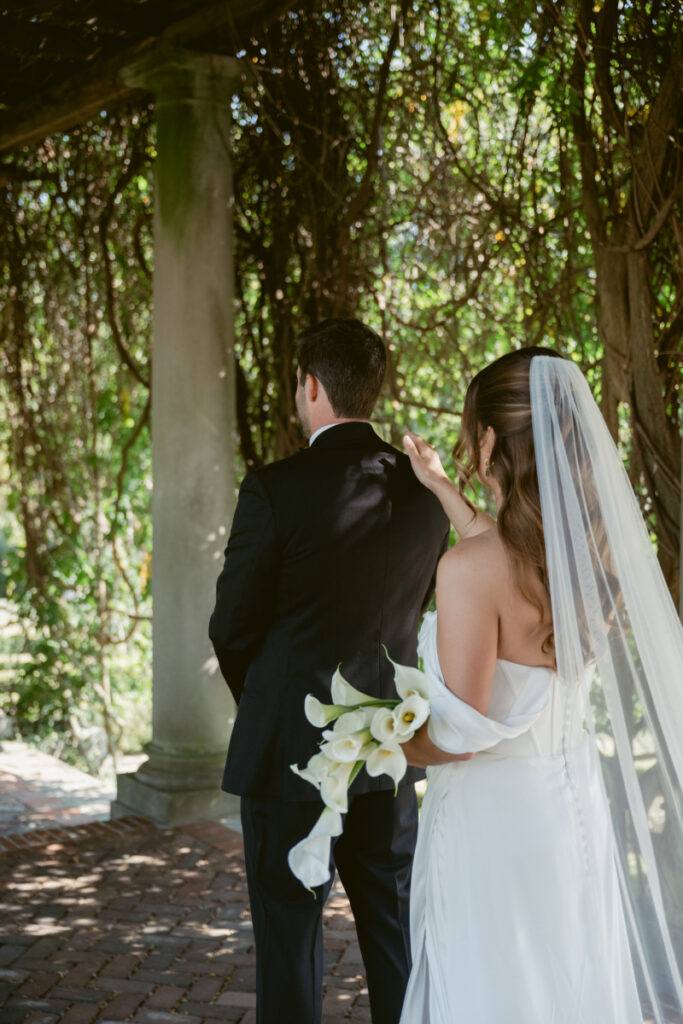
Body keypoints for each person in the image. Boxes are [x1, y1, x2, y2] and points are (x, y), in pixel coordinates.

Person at [399, 348, 683, 1023]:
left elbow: (458, 736)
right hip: (569, 806)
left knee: (490, 988)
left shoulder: (468, 569)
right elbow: (510, 561)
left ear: (491, 439)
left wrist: (388, 741)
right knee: (567, 981)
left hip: (489, 824)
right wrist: (443, 489)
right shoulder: (594, 552)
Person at [208, 317, 450, 1024]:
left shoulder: (273, 489)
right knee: (391, 933)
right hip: (386, 749)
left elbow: (232, 626)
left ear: (310, 386)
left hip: (288, 750)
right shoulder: (424, 493)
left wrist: (269, 701)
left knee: (288, 939)